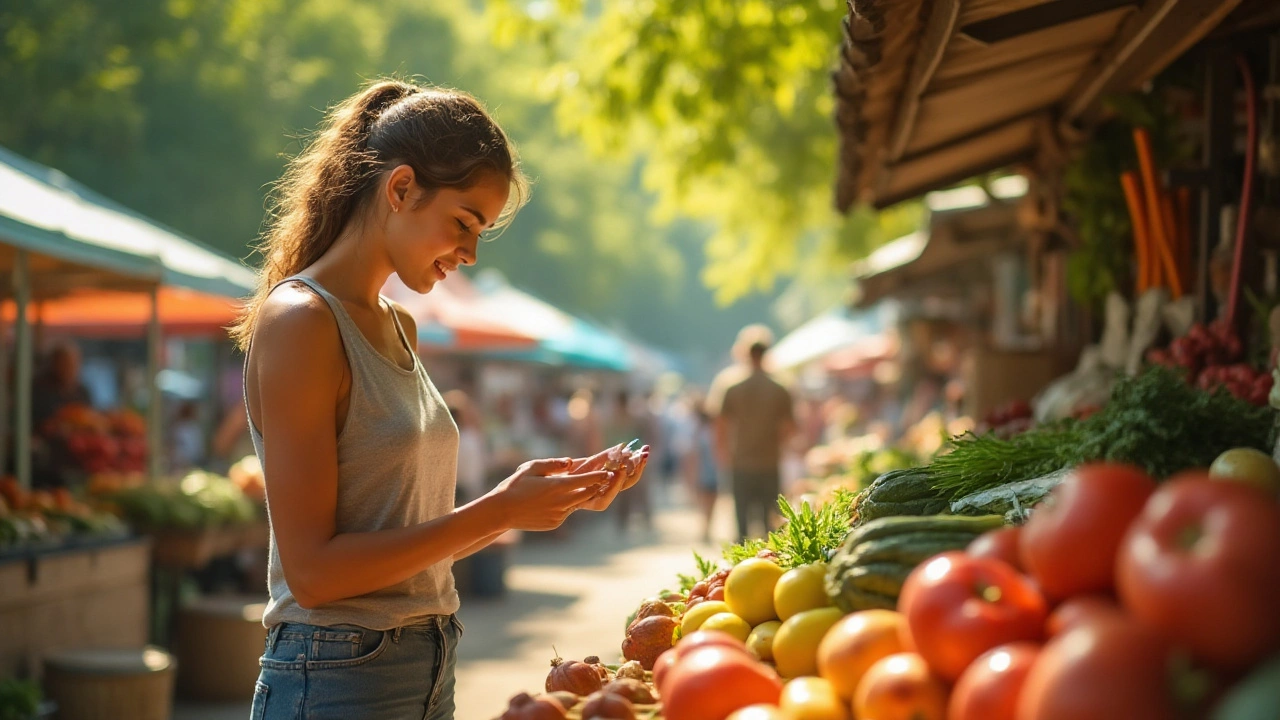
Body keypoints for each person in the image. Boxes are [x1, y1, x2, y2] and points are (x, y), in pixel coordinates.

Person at [230, 79, 650, 720]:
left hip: (428, 660)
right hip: (336, 676)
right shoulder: (302, 321)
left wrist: (524, 504)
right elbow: (313, 573)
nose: (472, 252)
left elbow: (403, 542)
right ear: (400, 189)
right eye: (464, 222)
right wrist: (500, 510)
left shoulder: (402, 325)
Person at [707, 325, 794, 542]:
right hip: (769, 461)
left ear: (744, 352)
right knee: (771, 524)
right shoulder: (779, 387)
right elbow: (789, 427)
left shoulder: (730, 385)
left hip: (740, 462)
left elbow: (720, 424)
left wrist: (722, 453)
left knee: (742, 523)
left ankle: (742, 568)